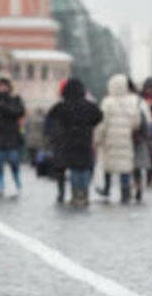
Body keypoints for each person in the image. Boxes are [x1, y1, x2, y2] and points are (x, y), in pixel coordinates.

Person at [46, 78, 103, 206]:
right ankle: (84, 193)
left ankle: (76, 194)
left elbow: (50, 119)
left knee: (75, 170)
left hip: (69, 143)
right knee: (85, 169)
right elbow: (99, 116)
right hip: (85, 141)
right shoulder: (88, 106)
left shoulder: (61, 106)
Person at [94, 74, 141, 204]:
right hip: (126, 140)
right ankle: (125, 192)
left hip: (110, 141)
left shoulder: (107, 102)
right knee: (124, 167)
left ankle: (107, 188)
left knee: (108, 166)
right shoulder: (132, 101)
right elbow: (136, 122)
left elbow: (102, 123)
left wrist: (98, 138)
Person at [129, 79, 152, 203]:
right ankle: (138, 187)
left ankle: (129, 188)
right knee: (137, 165)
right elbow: (149, 120)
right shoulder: (140, 101)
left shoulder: (121, 100)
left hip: (125, 136)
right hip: (138, 137)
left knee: (128, 165)